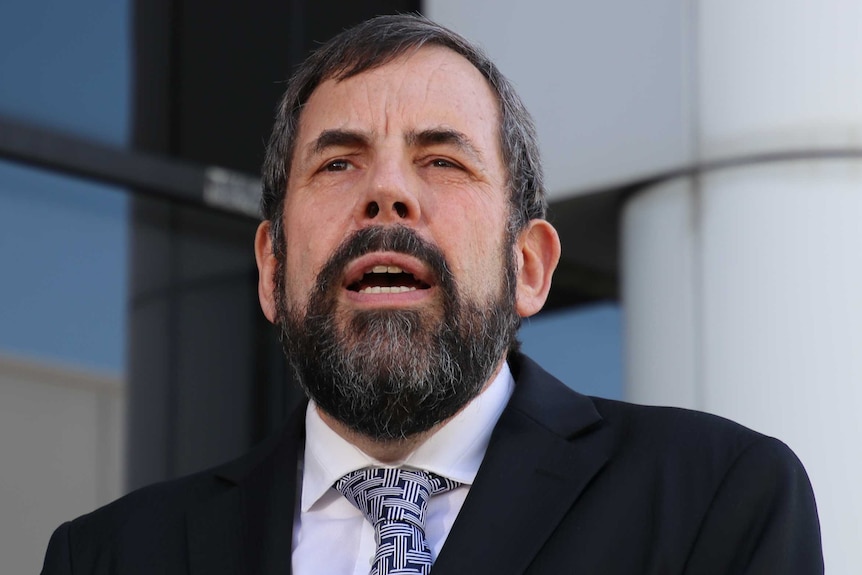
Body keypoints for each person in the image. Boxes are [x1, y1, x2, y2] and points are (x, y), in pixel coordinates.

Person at [42, 13, 822, 575]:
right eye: (339, 163)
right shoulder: (109, 557)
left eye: (442, 161)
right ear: (272, 267)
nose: (387, 193)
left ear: (529, 266)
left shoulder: (714, 499)